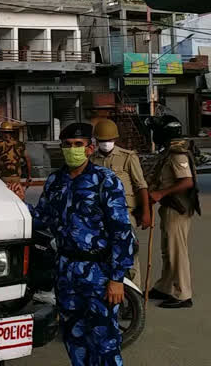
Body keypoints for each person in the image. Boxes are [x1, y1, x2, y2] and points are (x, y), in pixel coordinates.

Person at [14, 123, 134, 366]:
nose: (72, 150)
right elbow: (43, 219)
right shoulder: (56, 181)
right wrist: (18, 203)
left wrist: (117, 278)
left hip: (99, 273)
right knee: (74, 339)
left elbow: (121, 231)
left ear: (89, 148)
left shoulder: (105, 181)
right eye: (67, 145)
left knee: (105, 342)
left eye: (78, 145)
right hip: (66, 272)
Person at [147, 116, 200, 309]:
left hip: (177, 208)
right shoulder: (169, 152)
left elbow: (187, 181)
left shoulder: (178, 154)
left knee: (177, 251)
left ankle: (182, 294)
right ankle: (165, 286)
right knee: (168, 250)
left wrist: (160, 193)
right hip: (169, 208)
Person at [91, 118, 150, 287]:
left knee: (130, 254)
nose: (105, 144)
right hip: (101, 214)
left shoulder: (128, 157)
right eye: (102, 141)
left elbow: (141, 186)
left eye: (108, 140)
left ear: (115, 140)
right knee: (105, 253)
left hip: (125, 212)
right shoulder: (92, 160)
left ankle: (134, 293)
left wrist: (145, 212)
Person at [0, 121, 32, 186]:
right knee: (15, 196)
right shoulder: (19, 144)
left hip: (2, 176)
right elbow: (28, 160)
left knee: (2, 195)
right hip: (16, 177)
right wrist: (29, 176)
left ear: (1, 132)